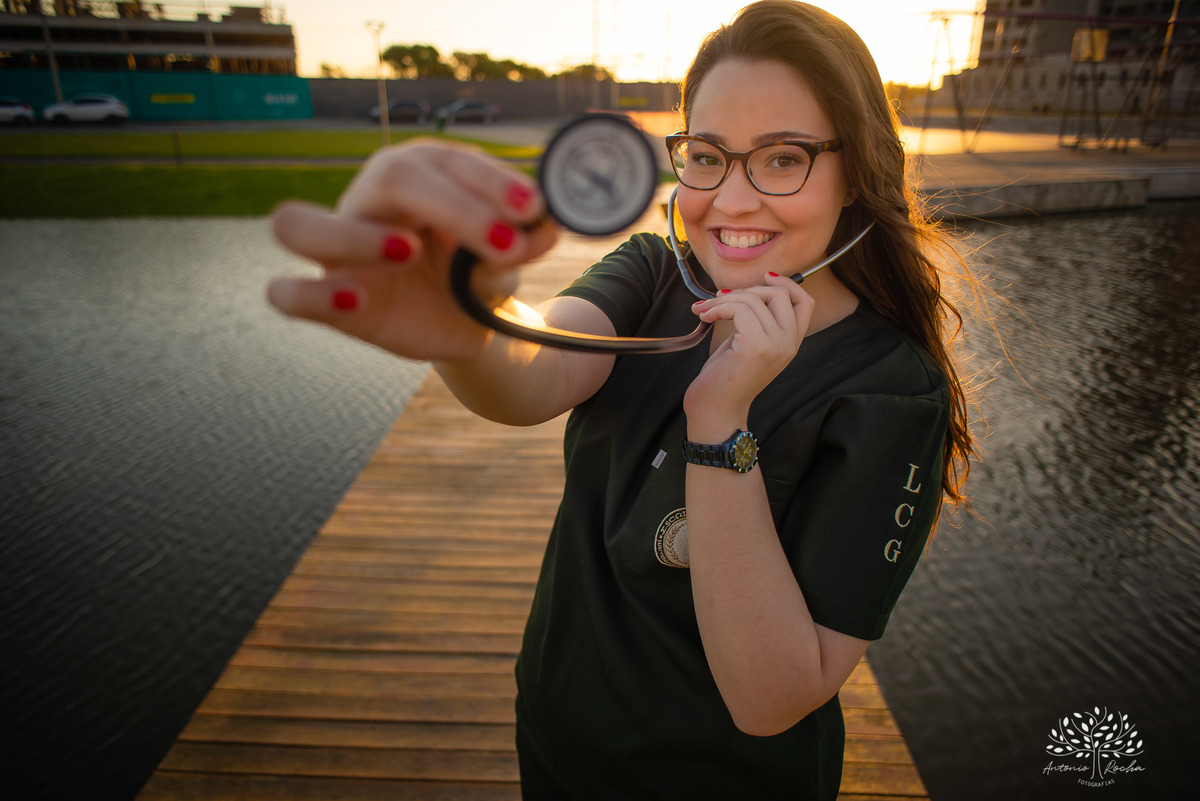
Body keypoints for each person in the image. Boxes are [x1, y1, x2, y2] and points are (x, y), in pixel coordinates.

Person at [267, 1, 976, 797]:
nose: (732, 200)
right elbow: (529, 375)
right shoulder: (650, 272)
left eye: (782, 159)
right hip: (560, 743)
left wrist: (720, 423)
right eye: (707, 155)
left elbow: (772, 698)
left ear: (858, 172)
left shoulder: (888, 390)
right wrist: (462, 322)